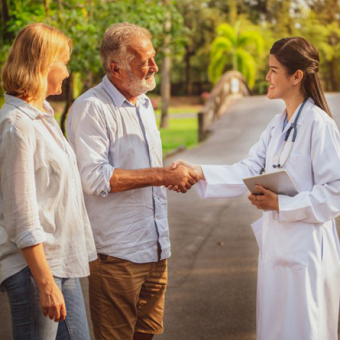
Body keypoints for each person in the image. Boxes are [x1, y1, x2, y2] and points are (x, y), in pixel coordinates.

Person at [171, 37, 340, 340]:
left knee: (304, 331)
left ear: (296, 76)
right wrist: (198, 171)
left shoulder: (319, 125)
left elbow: (336, 191)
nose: (267, 77)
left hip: (307, 252)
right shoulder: (277, 125)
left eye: (274, 70)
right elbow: (248, 169)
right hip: (278, 251)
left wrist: (282, 205)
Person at [66, 22, 198, 340]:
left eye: (153, 57)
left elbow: (139, 169)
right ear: (116, 68)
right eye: (145, 61)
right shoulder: (90, 109)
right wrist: (162, 175)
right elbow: (95, 177)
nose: (154, 66)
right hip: (117, 254)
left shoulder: (142, 103)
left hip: (154, 246)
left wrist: (167, 175)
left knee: (147, 333)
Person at [0, 23, 96, 340]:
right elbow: (21, 214)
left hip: (59, 265)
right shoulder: (17, 126)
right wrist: (44, 283)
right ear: (43, 63)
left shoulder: (42, 117)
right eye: (63, 62)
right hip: (35, 270)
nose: (67, 72)